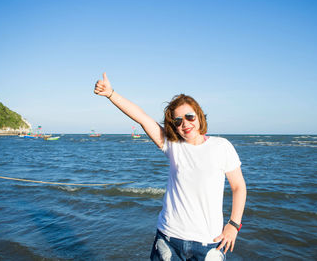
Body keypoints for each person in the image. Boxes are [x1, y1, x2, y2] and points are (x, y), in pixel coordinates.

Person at [94, 73, 246, 260]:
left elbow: (238, 187)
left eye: (189, 116)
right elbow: (142, 117)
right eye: (178, 121)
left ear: (198, 116)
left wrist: (233, 225)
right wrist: (111, 94)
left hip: (210, 242)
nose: (185, 124)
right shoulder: (173, 146)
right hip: (168, 238)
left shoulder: (222, 146)